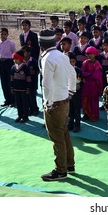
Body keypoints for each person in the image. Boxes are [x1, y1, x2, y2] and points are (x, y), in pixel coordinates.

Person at [39, 29, 76, 181]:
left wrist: (47, 103)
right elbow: (72, 74)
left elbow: (46, 85)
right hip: (64, 100)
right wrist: (71, 91)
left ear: (40, 43)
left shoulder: (47, 58)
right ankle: (70, 165)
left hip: (54, 103)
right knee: (64, 132)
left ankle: (61, 170)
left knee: (57, 137)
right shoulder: (62, 55)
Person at [0, 27, 16, 107]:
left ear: (7, 35)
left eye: (4, 34)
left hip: (9, 62)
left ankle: (13, 100)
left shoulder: (11, 43)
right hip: (1, 63)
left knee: (10, 81)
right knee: (3, 81)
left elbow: (14, 53)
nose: (3, 36)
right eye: (1, 34)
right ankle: (7, 99)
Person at [81, 46, 103, 122]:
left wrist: (88, 74)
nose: (89, 55)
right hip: (86, 85)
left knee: (93, 101)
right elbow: (82, 73)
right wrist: (90, 74)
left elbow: (97, 76)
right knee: (85, 100)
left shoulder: (97, 64)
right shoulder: (84, 63)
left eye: (91, 54)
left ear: (95, 54)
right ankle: (86, 114)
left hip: (94, 86)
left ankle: (94, 116)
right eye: (88, 54)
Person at [11, 50, 31, 123]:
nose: (15, 60)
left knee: (24, 103)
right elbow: (12, 78)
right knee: (18, 103)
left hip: (23, 89)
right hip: (16, 88)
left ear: (20, 59)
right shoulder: (13, 67)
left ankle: (25, 116)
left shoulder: (25, 67)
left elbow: (28, 78)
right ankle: (20, 115)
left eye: (16, 58)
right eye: (14, 59)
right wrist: (12, 87)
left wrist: (28, 88)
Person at [22, 45, 40, 116]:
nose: (23, 53)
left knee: (32, 96)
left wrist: (32, 74)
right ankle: (30, 109)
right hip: (24, 82)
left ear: (29, 53)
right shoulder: (22, 61)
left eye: (24, 52)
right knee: (26, 96)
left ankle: (35, 109)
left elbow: (37, 71)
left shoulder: (33, 61)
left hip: (32, 82)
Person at [67, 52, 82, 132]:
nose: (71, 64)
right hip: (67, 93)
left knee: (76, 110)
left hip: (76, 94)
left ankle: (77, 125)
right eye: (69, 62)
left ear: (75, 61)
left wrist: (79, 86)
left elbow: (80, 81)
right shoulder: (64, 71)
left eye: (72, 62)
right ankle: (70, 124)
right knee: (69, 110)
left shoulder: (78, 71)